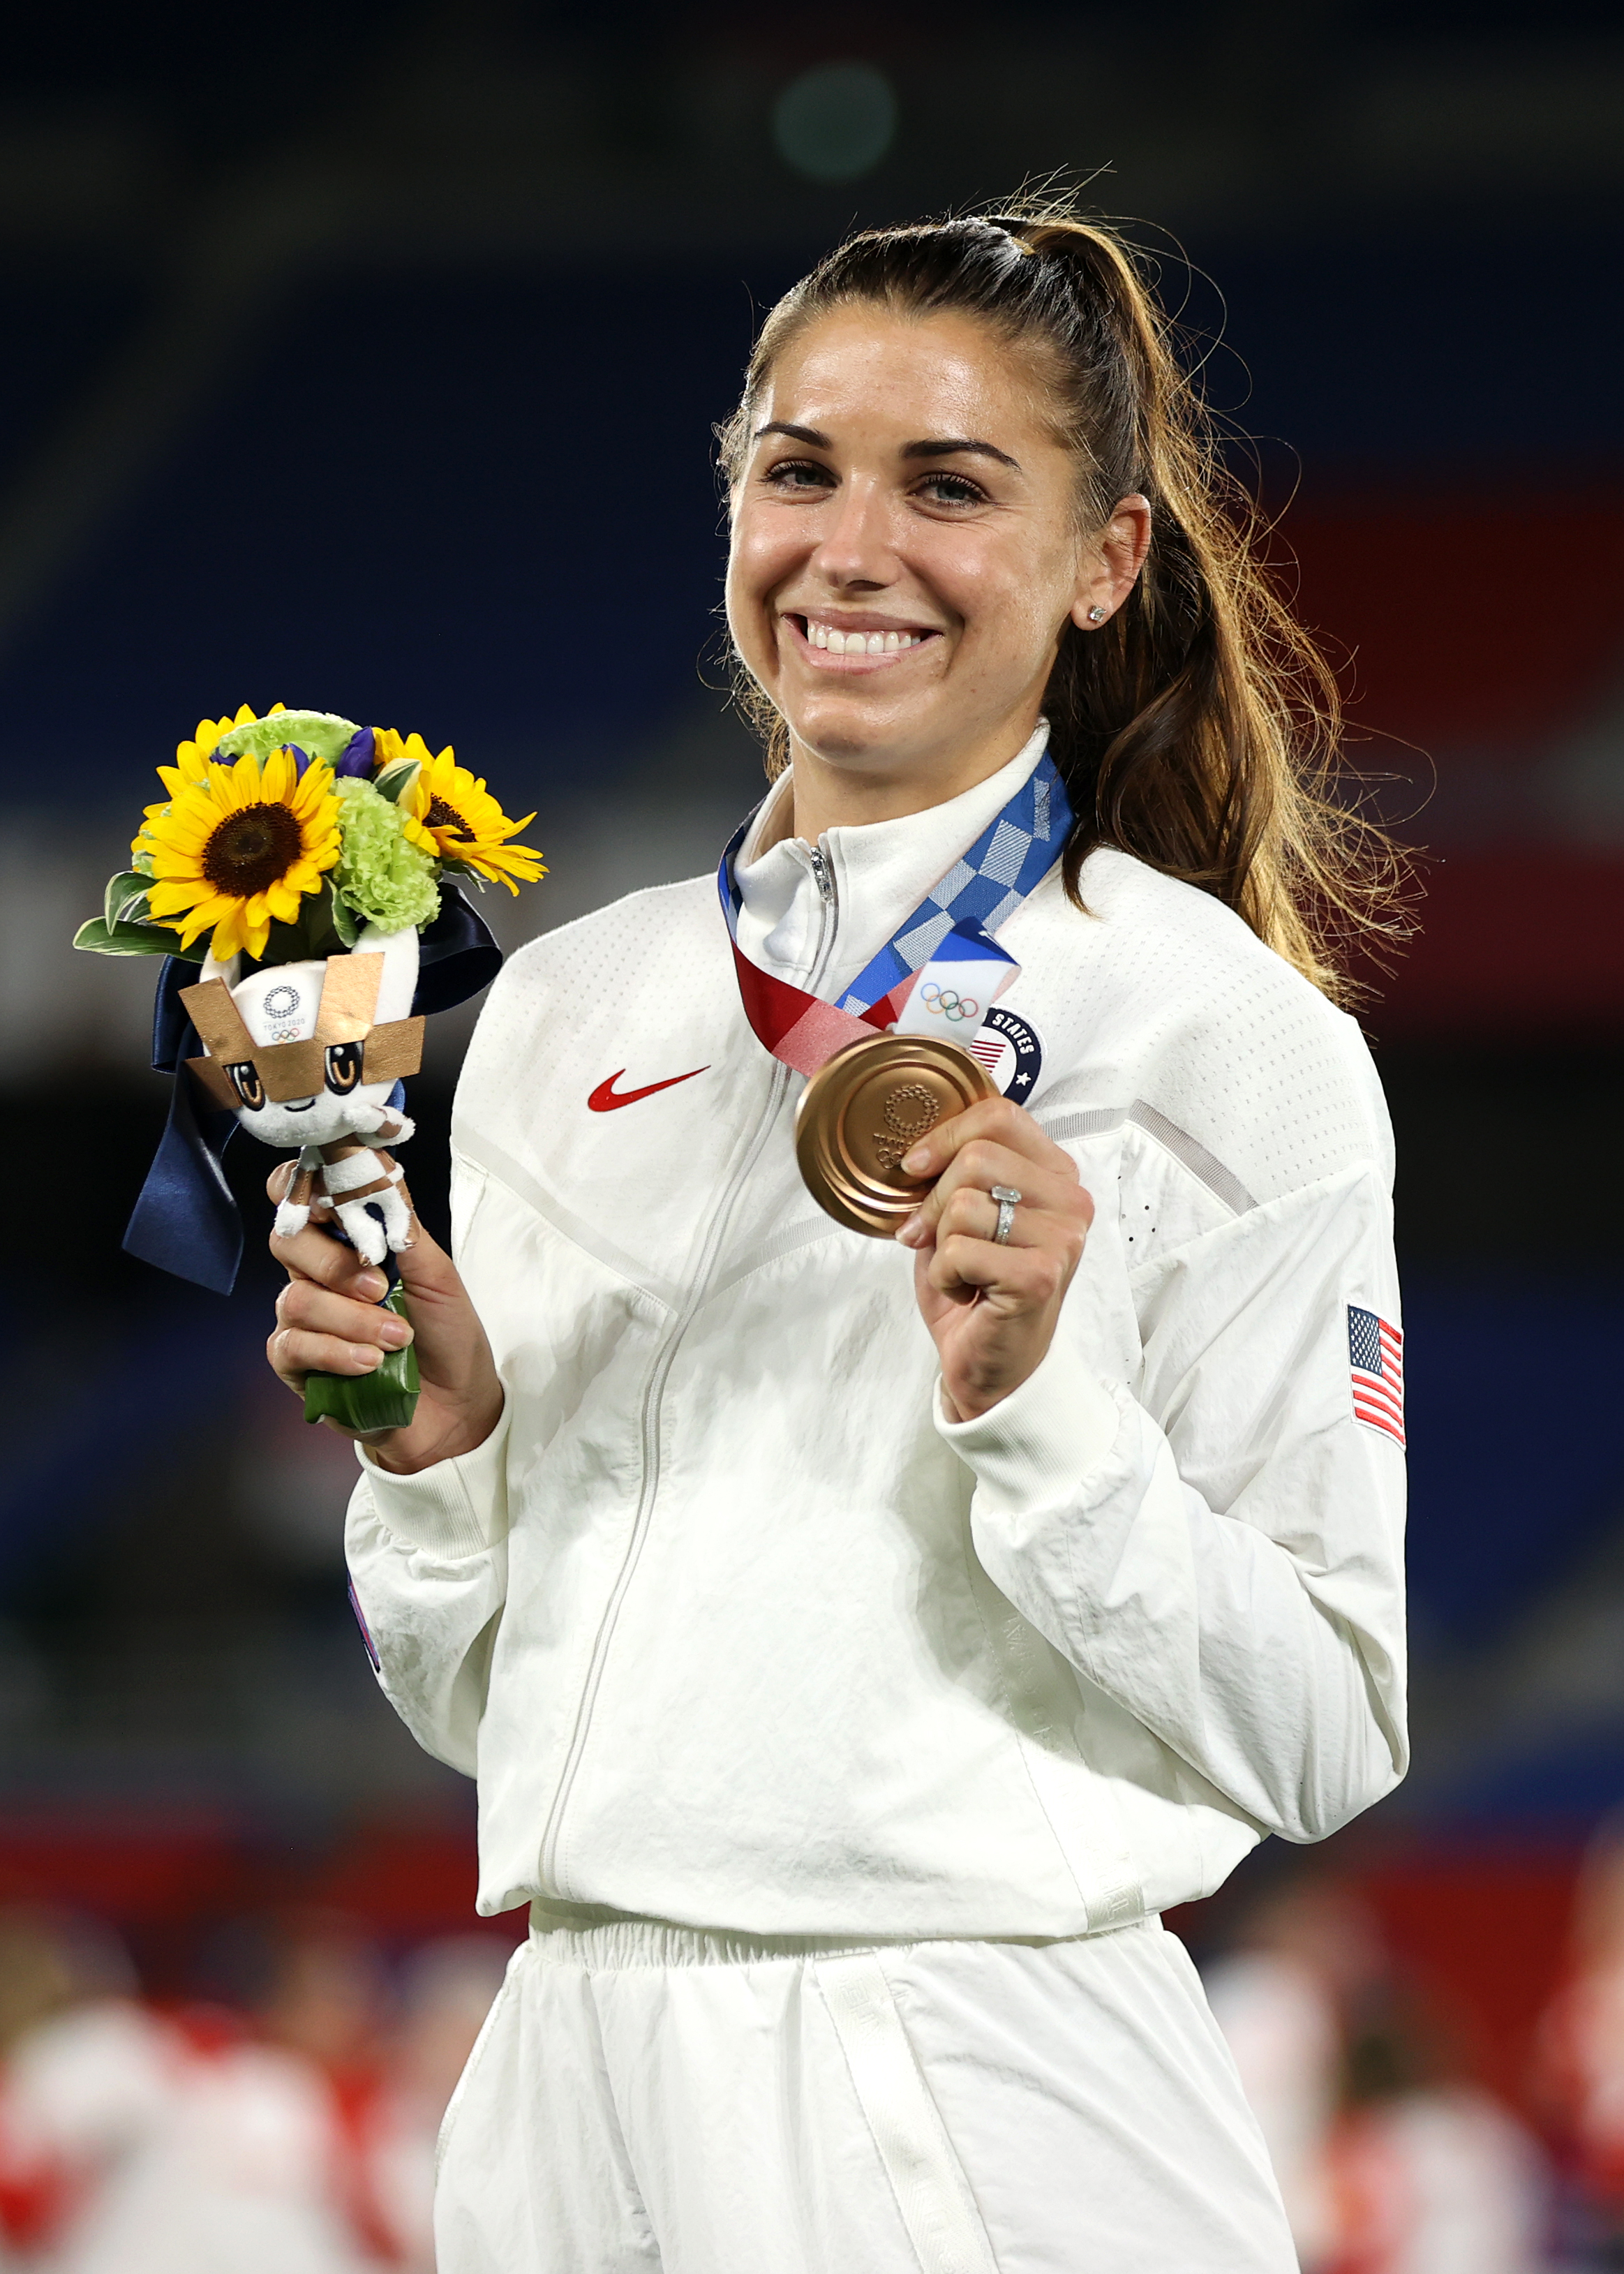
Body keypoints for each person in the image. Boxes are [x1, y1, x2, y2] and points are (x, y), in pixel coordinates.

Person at [266, 204, 1409, 2271]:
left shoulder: (1225, 1037)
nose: (851, 546)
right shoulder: (566, 1010)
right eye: (798, 469)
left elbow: (1331, 1720)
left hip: (963, 2055)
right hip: (563, 2064)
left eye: (950, 486)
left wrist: (1044, 1414)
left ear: (1103, 562)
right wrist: (433, 1472)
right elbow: (479, 1707)